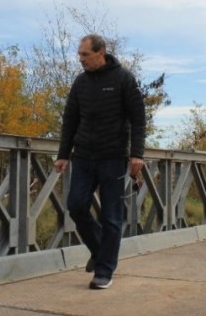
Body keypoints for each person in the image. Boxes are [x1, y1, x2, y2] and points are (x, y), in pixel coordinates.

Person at [54, 34, 146, 290]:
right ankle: (99, 250)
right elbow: (69, 120)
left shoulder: (123, 79)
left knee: (111, 217)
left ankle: (104, 271)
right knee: (76, 205)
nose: (80, 59)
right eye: (79, 55)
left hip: (113, 157)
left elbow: (138, 119)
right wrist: (63, 154)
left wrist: (137, 154)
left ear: (101, 52)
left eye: (85, 55)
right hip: (83, 155)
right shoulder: (80, 82)